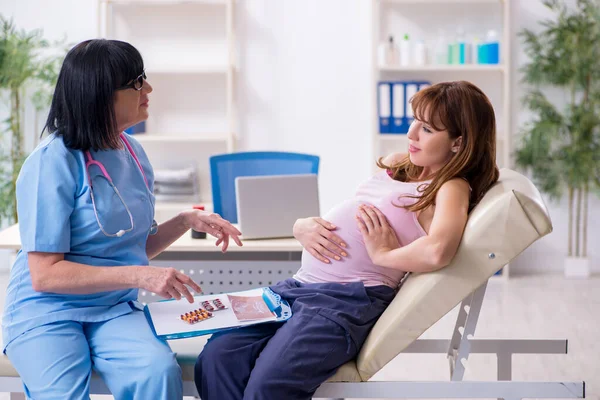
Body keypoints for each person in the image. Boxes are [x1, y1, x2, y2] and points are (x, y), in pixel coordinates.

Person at [194, 80, 500, 400]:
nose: (411, 134)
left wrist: (383, 255)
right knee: (216, 359)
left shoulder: (451, 187)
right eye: (414, 121)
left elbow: (439, 250)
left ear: (458, 142)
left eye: (426, 128)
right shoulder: (400, 165)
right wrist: (301, 226)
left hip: (345, 302)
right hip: (297, 287)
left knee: (269, 387)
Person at [2, 39, 242, 400]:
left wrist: (185, 220)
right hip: (47, 311)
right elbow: (45, 274)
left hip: (112, 308)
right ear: (101, 95)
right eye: (137, 82)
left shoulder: (132, 151)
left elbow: (131, 246)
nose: (148, 89)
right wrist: (140, 275)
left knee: (159, 373)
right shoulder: (50, 162)